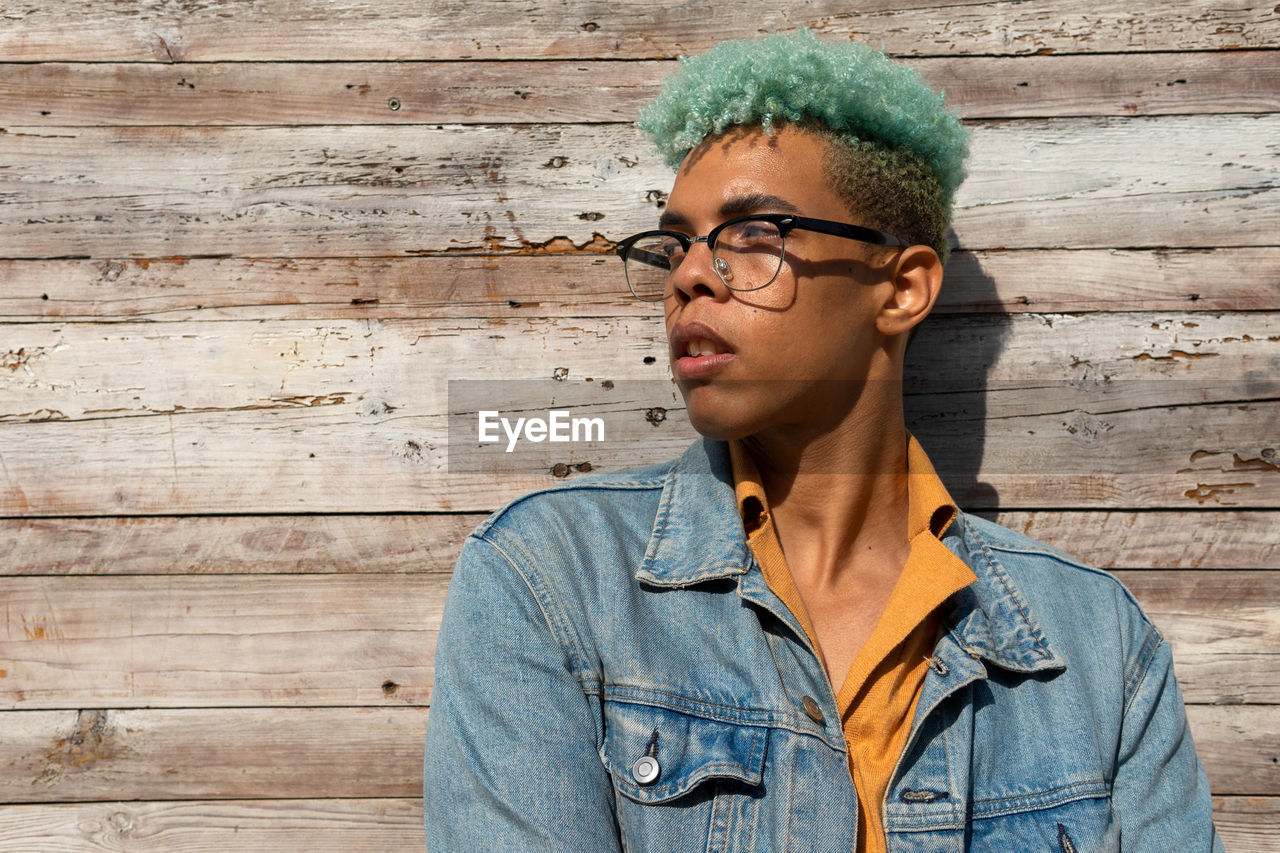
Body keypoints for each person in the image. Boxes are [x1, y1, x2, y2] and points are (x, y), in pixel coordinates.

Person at [424, 30, 1220, 851]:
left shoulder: (1096, 647)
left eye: (754, 234)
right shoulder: (552, 578)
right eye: (675, 244)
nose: (690, 275)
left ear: (901, 287)